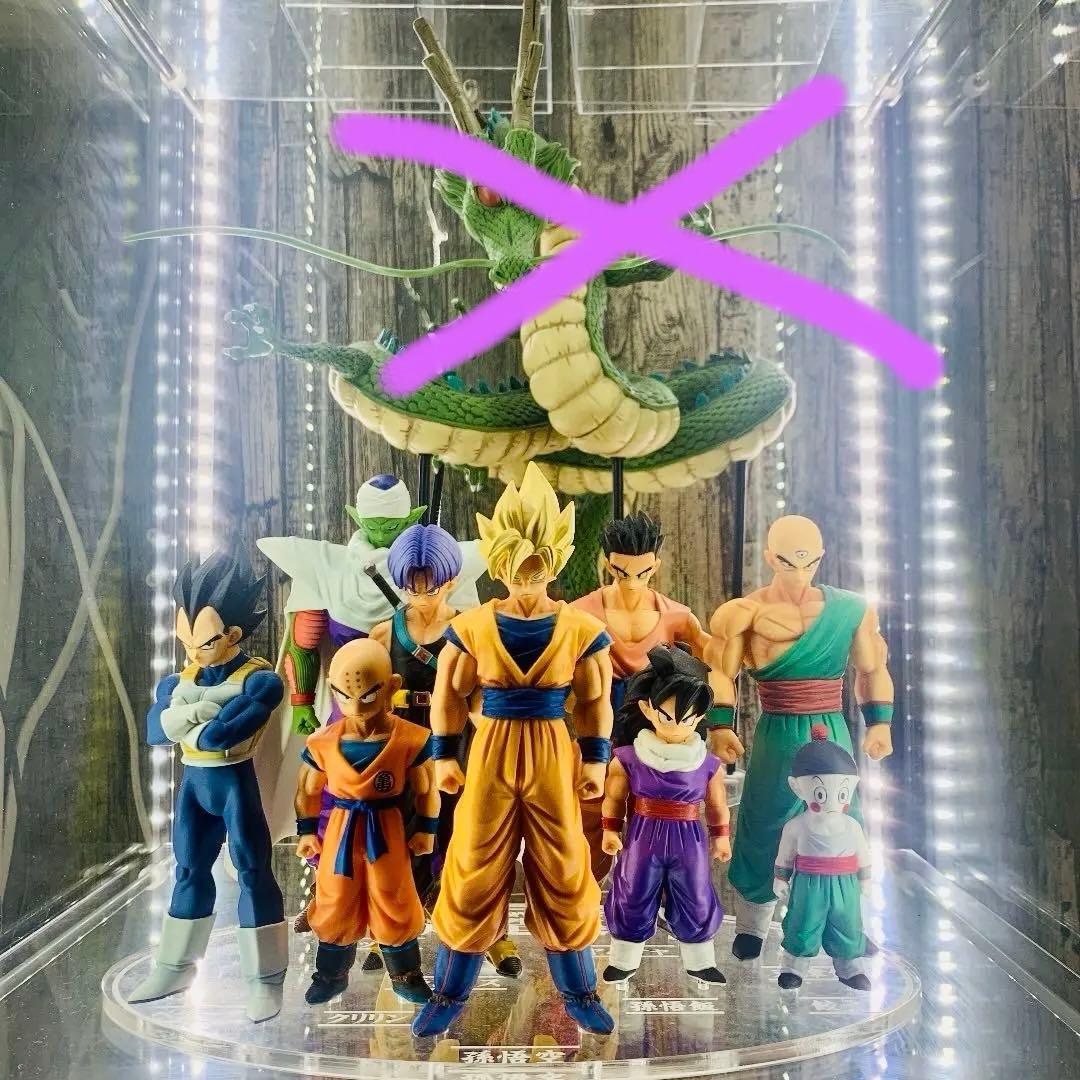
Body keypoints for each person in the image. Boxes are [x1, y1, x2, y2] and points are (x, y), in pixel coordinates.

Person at [411, 463, 616, 1037]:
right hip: (492, 751)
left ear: (556, 561)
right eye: (516, 567)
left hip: (552, 749)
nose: (527, 579)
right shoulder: (473, 627)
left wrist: (596, 759)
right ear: (498, 564)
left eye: (538, 566)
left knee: (564, 865)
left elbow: (595, 700)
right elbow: (449, 696)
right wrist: (444, 755)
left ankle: (579, 991)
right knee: (472, 863)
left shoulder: (581, 629)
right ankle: (449, 993)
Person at [706, 515, 893, 960]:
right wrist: (719, 725)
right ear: (771, 559)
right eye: (789, 562)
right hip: (777, 729)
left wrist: (880, 721)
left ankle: (846, 927)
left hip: (832, 726)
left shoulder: (851, 609)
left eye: (809, 563)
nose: (800, 572)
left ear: (821, 558)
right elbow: (720, 672)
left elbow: (872, 668)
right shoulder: (744, 612)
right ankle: (753, 926)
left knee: (843, 822)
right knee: (764, 821)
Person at [131, 544, 287, 1022]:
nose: (190, 652)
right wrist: (198, 713)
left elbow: (221, 737)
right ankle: (175, 966)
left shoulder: (260, 680)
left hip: (234, 783)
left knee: (252, 871)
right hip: (195, 787)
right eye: (184, 639)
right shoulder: (178, 680)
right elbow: (155, 733)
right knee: (188, 869)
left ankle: (266, 978)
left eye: (201, 641)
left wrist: (185, 717)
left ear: (233, 634)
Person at [366, 523, 521, 976]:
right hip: (402, 744)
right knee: (400, 838)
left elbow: (482, 694)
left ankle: (490, 933)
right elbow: (366, 699)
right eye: (410, 588)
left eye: (430, 587)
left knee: (471, 837)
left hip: (456, 742)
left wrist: (497, 734)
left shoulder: (471, 628)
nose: (420, 597)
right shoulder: (384, 634)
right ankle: (392, 930)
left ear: (450, 580)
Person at [295, 638, 438, 1005]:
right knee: (334, 897)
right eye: (344, 696)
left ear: (391, 686)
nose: (356, 706)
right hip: (341, 828)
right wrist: (307, 832)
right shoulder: (323, 741)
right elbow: (308, 791)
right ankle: (330, 974)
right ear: (332, 690)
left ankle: (405, 975)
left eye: (368, 695)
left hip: (387, 827)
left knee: (394, 896)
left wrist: (427, 829)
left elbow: (427, 789)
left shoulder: (410, 738)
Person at [601, 645, 730, 984]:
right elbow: (614, 797)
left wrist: (721, 836)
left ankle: (700, 960)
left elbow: (717, 804)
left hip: (689, 836)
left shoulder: (707, 764)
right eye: (667, 716)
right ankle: (624, 958)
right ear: (647, 708)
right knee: (633, 890)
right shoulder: (629, 758)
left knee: (695, 892)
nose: (676, 726)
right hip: (643, 834)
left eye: (687, 718)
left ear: (699, 718)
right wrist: (610, 830)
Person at [773, 725, 872, 990]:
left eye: (841, 794)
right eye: (820, 793)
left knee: (847, 923)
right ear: (797, 787)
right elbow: (785, 854)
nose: (831, 802)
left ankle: (850, 967)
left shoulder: (852, 826)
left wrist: (865, 878)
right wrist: (780, 878)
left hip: (846, 883)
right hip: (808, 883)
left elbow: (863, 853)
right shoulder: (796, 826)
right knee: (802, 923)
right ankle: (793, 968)